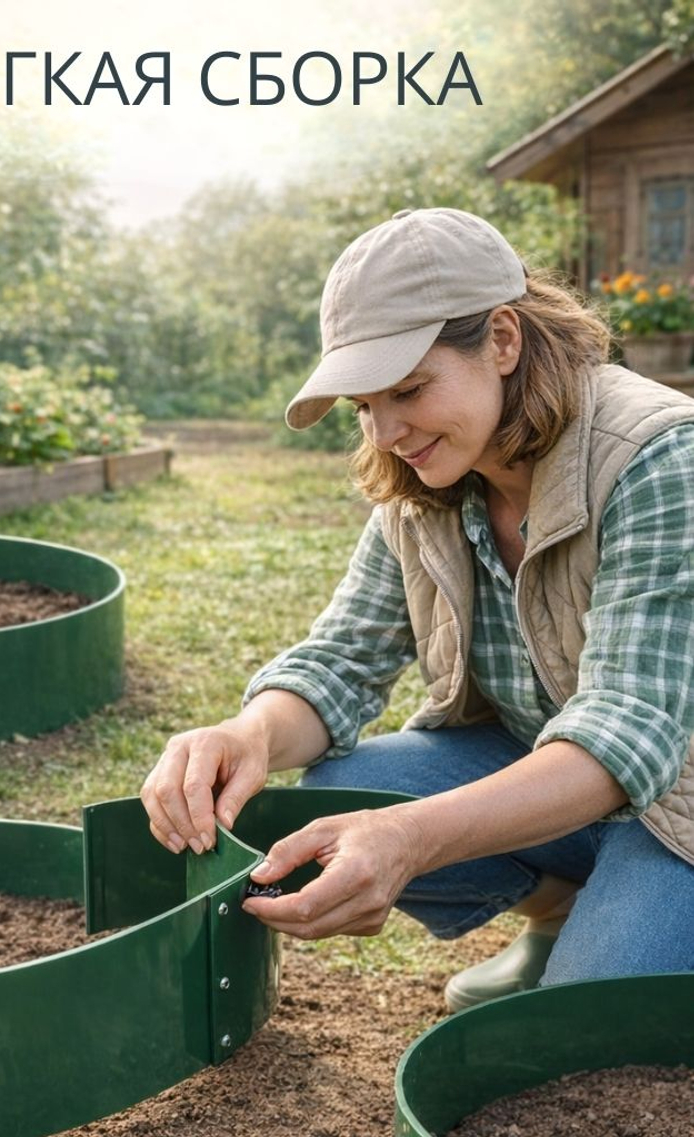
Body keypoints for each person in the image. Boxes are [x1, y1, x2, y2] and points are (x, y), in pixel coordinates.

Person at [141, 207, 694, 1009]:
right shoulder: (430, 481)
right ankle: (564, 910)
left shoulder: (660, 458)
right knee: (342, 785)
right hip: (567, 789)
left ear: (503, 340)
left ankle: (635, 919)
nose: (387, 430)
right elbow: (341, 661)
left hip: (681, 808)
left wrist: (407, 839)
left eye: (408, 389)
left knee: (587, 1029)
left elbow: (625, 735)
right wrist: (245, 733)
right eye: (364, 404)